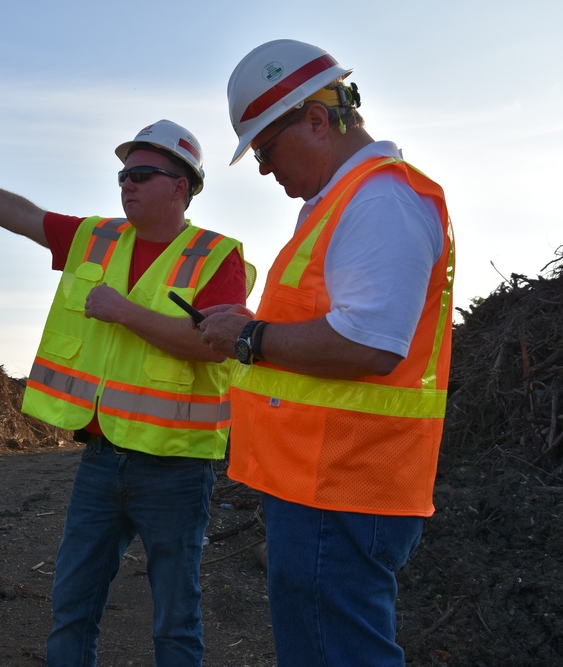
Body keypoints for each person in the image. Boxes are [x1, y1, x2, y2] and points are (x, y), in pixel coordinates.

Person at [0, 121, 254, 666]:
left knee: (175, 617)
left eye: (141, 174)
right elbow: (23, 216)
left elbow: (213, 345)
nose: (126, 184)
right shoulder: (98, 237)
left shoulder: (216, 255)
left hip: (177, 467)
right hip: (100, 459)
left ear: (181, 186)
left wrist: (123, 311)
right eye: (122, 175)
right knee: (72, 605)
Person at [196, 39, 455, 666]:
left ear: (316, 119)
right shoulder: (347, 202)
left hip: (342, 484)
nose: (262, 168)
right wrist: (253, 325)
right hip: (327, 482)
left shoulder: (377, 199)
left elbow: (368, 345)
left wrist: (247, 337)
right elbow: (338, 327)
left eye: (264, 147)